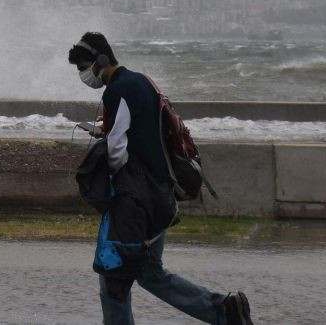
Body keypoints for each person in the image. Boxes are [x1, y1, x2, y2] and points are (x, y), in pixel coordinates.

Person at [69, 31, 255, 325]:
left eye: (83, 67)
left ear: (101, 60)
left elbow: (117, 148)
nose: (83, 75)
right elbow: (143, 132)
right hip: (160, 194)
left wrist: (113, 176)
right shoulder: (142, 81)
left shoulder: (118, 90)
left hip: (139, 200)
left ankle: (223, 310)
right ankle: (225, 311)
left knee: (113, 275)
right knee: (149, 272)